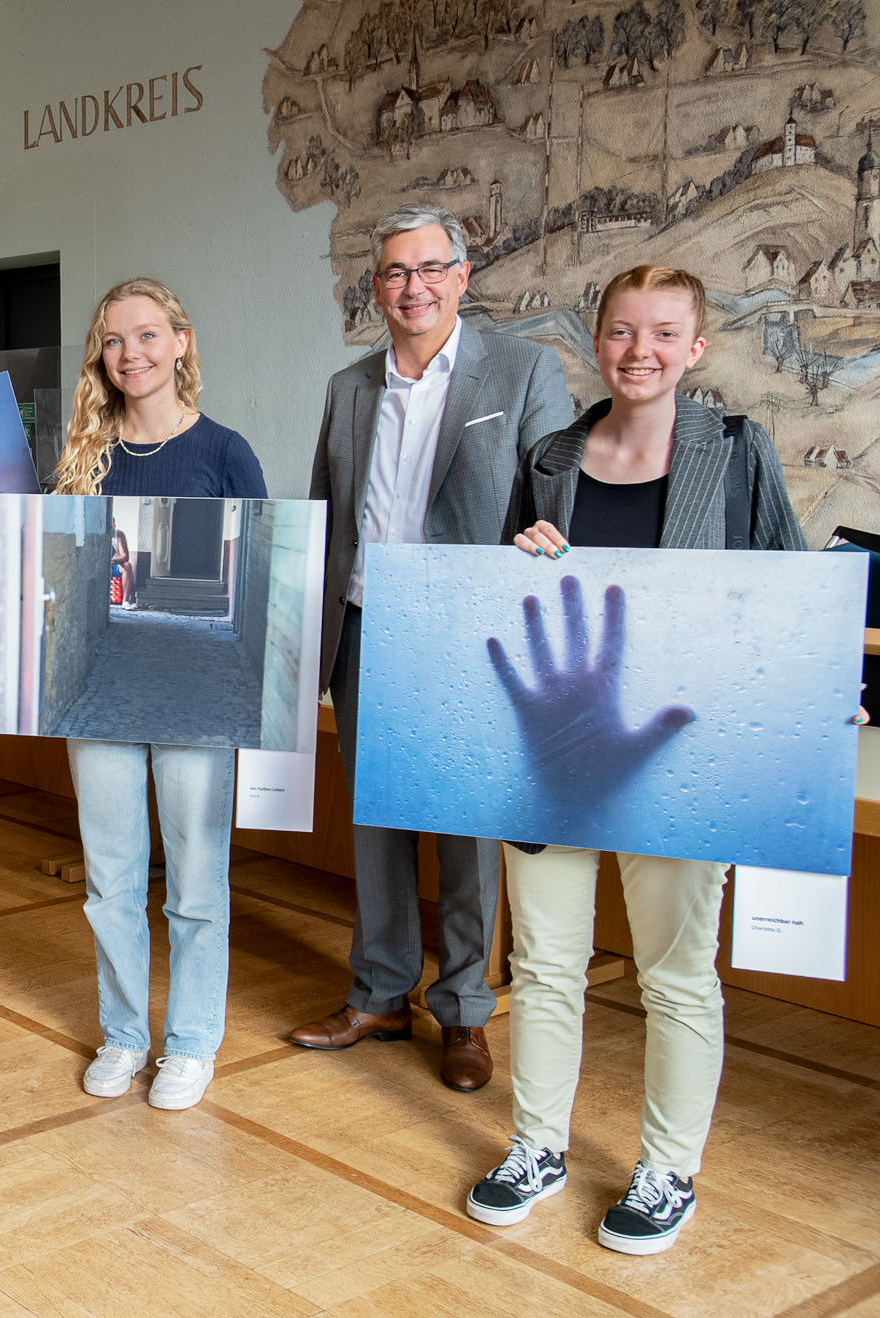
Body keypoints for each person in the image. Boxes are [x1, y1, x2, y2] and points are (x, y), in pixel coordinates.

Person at [464, 265, 816, 1256]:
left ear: (694, 348)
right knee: (541, 963)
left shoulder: (737, 452)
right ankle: (536, 1145)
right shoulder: (551, 456)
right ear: (596, 340)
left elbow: (789, 587)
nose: (640, 352)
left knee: (675, 974)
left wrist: (823, 691)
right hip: (551, 753)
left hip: (681, 752)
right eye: (622, 332)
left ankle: (668, 1169)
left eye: (664, 334)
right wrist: (517, 559)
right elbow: (499, 600)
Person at [295, 203, 572, 1092]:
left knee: (462, 830)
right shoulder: (348, 386)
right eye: (392, 274)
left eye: (426, 270)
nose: (409, 288)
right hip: (366, 624)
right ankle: (377, 993)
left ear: (460, 275)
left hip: (470, 637)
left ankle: (461, 1010)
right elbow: (324, 517)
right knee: (375, 822)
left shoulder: (524, 370)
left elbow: (555, 506)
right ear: (375, 288)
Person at [49, 277, 267, 1111]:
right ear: (99, 357)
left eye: (145, 336)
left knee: (197, 882)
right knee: (109, 880)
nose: (129, 354)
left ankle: (190, 1044)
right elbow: (64, 581)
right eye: (113, 341)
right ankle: (125, 1033)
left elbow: (256, 576)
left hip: (195, 695)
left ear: (180, 341)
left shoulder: (224, 452)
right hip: (100, 693)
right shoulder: (80, 459)